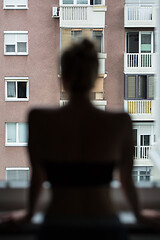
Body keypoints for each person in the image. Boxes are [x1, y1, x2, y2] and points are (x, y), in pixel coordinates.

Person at [1, 39, 160, 238]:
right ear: (95, 78)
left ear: (64, 77)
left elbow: (37, 178)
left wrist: (28, 214)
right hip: (105, 226)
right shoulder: (120, 122)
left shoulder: (39, 119)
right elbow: (127, 180)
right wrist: (139, 215)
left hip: (57, 227)